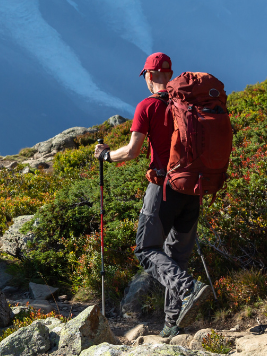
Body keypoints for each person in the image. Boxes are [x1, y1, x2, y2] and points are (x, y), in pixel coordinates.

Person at [94, 52, 209, 336]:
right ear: (169, 74)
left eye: (146, 74)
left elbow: (132, 152)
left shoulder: (148, 106)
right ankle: (172, 326)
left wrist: (106, 156)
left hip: (163, 189)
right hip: (193, 188)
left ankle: (187, 288)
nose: (146, 79)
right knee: (176, 256)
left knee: (146, 250)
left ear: (150, 75)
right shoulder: (189, 103)